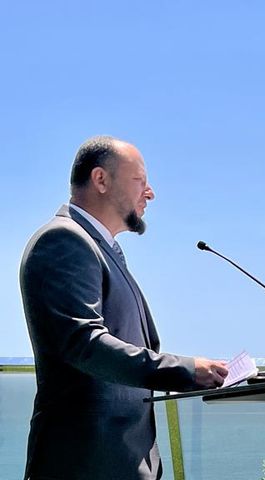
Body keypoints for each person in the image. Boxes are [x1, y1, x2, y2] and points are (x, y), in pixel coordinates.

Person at [20, 136, 229, 480]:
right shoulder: (64, 240)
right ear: (100, 180)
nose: (150, 193)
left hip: (122, 463)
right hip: (86, 465)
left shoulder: (101, 248)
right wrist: (186, 370)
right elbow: (84, 344)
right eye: (140, 181)